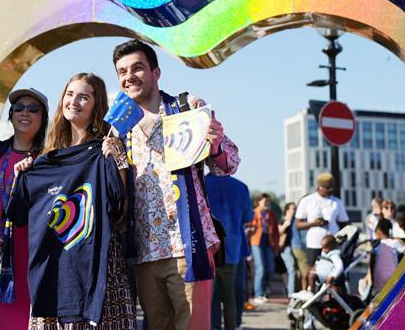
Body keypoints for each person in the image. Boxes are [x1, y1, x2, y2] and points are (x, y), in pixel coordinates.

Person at [112, 39, 241, 330]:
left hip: (188, 245)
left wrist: (216, 143)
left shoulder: (187, 108)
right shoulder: (119, 126)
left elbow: (229, 165)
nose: (129, 76)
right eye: (122, 71)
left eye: (137, 68)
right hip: (144, 250)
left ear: (156, 73)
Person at [14, 73, 135, 329]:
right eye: (70, 94)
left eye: (84, 97)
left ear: (96, 104)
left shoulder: (105, 149)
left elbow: (120, 208)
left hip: (98, 260)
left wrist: (118, 161)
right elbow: (19, 214)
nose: (74, 101)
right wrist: (26, 173)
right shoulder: (45, 158)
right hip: (55, 267)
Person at [0, 88, 49, 329]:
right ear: (11, 115)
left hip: (33, 257)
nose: (25, 112)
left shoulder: (50, 159)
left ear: (43, 117)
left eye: (33, 108)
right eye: (19, 107)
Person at [205, 175, 254, 330]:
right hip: (234, 247)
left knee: (211, 296)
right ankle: (234, 325)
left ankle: (214, 326)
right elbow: (248, 216)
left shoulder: (201, 183)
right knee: (232, 294)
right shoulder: (240, 186)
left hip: (209, 247)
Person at [294, 173, 349, 266]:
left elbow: (344, 223)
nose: (331, 190)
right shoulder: (307, 200)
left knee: (332, 270)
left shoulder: (336, 202)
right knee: (313, 272)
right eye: (328, 187)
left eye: (332, 187)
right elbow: (298, 224)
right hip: (314, 243)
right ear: (320, 187)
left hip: (332, 243)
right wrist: (313, 223)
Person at [249, 195, 280, 303]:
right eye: (265, 201)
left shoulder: (271, 214)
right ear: (258, 202)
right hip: (256, 241)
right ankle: (258, 294)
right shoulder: (253, 212)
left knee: (270, 268)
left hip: (269, 241)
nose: (267, 203)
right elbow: (248, 226)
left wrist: (276, 247)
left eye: (268, 201)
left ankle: (265, 289)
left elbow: (276, 231)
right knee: (260, 268)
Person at [370, 218, 405, 296]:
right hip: (393, 278)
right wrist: (400, 240)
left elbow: (372, 262)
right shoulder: (395, 243)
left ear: (378, 232)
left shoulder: (377, 245)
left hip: (379, 279)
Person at [279, 201, 308, 296]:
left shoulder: (294, 219)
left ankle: (293, 291)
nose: (295, 210)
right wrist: (286, 223)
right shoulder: (286, 220)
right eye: (293, 209)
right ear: (287, 210)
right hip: (286, 248)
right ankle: (291, 294)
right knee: (292, 270)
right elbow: (279, 232)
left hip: (291, 247)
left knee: (296, 271)